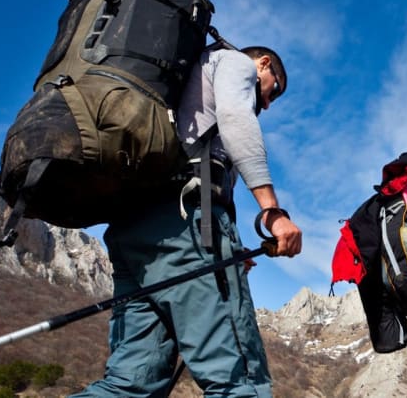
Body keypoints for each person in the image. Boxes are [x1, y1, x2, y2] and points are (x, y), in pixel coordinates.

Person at [72, 45, 302, 398]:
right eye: (274, 90)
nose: (268, 103)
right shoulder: (234, 62)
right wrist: (272, 212)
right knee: (240, 383)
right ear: (264, 64)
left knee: (130, 386)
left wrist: (230, 245)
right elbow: (236, 119)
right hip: (185, 227)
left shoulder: (182, 78)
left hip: (132, 229)